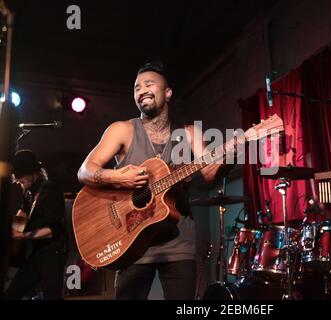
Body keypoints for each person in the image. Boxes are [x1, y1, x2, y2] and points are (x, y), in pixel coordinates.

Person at [77, 62, 232, 300]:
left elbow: (210, 175)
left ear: (168, 93)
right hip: (130, 243)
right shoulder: (122, 130)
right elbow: (85, 171)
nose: (141, 91)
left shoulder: (190, 133)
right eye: (137, 87)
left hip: (178, 245)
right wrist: (117, 176)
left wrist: (232, 153)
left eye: (149, 84)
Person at [4, 149, 67, 300]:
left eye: (22, 181)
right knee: (11, 294)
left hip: (53, 252)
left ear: (32, 173)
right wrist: (13, 230)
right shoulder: (28, 190)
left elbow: (53, 230)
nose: (22, 185)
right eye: (18, 182)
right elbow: (24, 210)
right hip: (38, 252)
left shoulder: (50, 190)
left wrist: (23, 236)